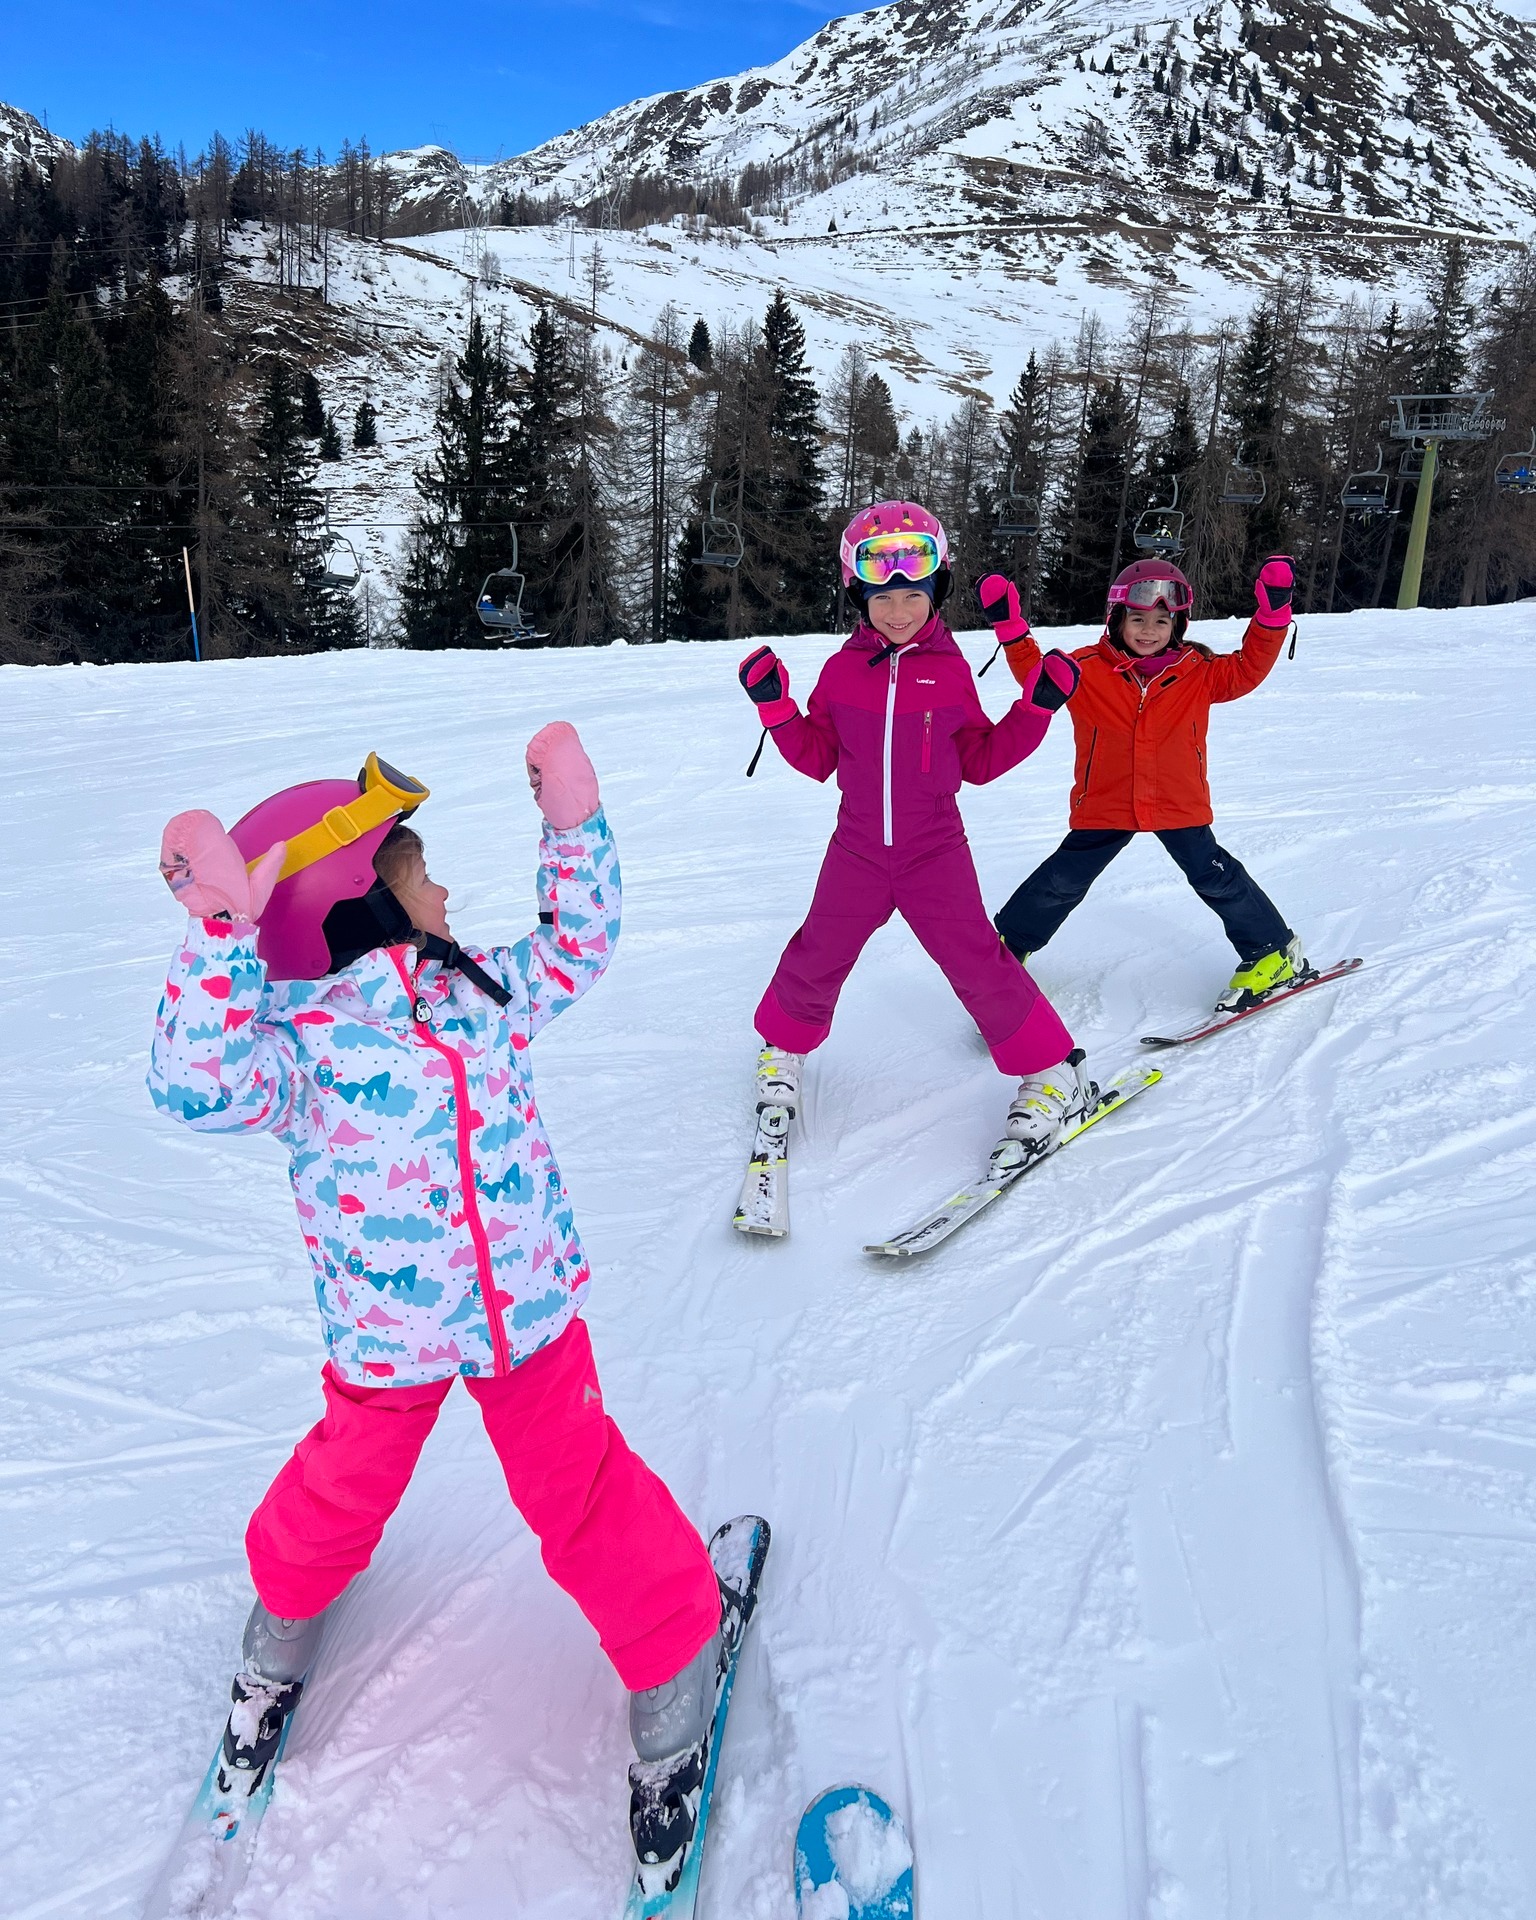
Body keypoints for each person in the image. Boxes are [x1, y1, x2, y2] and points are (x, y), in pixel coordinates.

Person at [146, 730, 723, 1819]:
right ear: (356, 909)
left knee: (577, 1486)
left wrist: (572, 829)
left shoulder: (476, 991)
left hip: (525, 1318)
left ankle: (673, 1647)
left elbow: (578, 946)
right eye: (421, 876)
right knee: (341, 1489)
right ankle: (281, 1626)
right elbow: (191, 1086)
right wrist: (222, 935)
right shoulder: (299, 1052)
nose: (445, 891)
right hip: (389, 1337)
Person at [737, 499, 1094, 1157]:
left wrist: (1036, 709)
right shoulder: (841, 672)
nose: (897, 611)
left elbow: (980, 761)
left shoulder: (950, 672)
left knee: (978, 959)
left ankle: (1052, 1073)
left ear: (936, 592)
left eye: (912, 596)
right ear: (859, 596)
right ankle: (782, 1052)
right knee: (818, 949)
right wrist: (777, 708)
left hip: (934, 851)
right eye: (882, 597)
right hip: (857, 849)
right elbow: (818, 756)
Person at [986, 555, 1309, 1012]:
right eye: (1138, 619)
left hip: (1177, 801)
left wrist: (1272, 617)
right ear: (1116, 618)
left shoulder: (1199, 671)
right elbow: (1037, 677)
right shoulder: (1085, 668)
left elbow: (1248, 668)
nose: (1148, 630)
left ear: (1177, 626)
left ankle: (1272, 952)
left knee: (1214, 877)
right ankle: (1007, 949)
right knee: (1062, 879)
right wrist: (1010, 629)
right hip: (1106, 801)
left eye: (1161, 621)